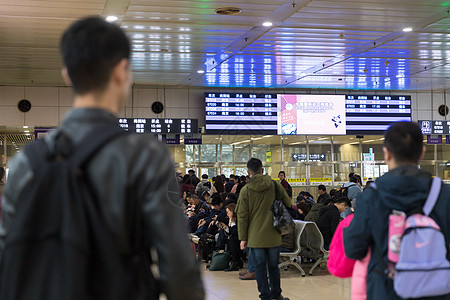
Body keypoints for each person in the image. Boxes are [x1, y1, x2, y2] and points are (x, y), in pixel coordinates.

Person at [0, 17, 203, 300]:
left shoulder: (26, 162)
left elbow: (7, 252)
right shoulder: (145, 156)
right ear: (122, 71)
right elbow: (178, 265)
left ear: (68, 74)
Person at [344, 122, 450, 300]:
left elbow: (354, 248)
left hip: (386, 290)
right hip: (436, 289)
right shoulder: (443, 192)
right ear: (422, 152)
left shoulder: (372, 195)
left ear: (386, 153)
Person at [236, 158, 290, 300]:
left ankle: (265, 296)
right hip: (273, 234)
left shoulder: (245, 190)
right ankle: (277, 295)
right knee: (273, 267)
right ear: (262, 169)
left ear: (248, 172)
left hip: (255, 237)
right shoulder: (275, 185)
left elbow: (242, 216)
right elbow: (288, 202)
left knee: (259, 268)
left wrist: (243, 238)